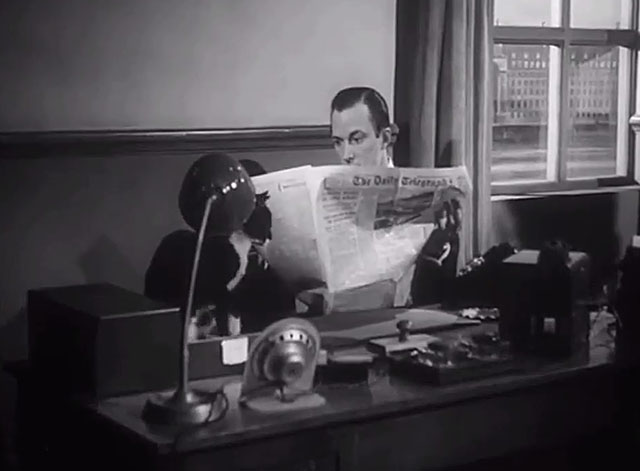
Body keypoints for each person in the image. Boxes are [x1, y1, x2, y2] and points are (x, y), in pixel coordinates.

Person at [330, 86, 398, 167]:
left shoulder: (412, 178)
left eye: (357, 140)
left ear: (385, 138)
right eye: (338, 142)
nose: (346, 156)